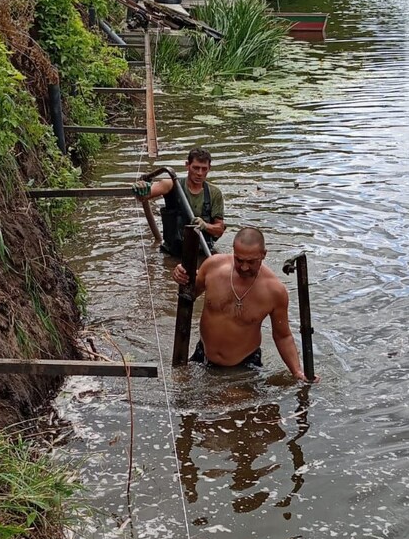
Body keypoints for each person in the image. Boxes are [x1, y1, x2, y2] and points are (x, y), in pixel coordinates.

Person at [172, 227, 312, 381]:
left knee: (232, 396)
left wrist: (297, 372)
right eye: (239, 260)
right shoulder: (213, 266)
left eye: (251, 262)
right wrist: (182, 276)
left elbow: (283, 336)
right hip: (202, 356)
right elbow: (189, 295)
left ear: (263, 254)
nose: (244, 267)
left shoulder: (274, 291)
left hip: (244, 366)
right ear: (233, 251)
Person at [133, 148, 226, 256]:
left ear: (209, 168)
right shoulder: (170, 185)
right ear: (187, 165)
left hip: (202, 253)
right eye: (196, 168)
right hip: (172, 254)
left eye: (204, 169)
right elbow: (144, 196)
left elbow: (219, 229)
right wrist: (142, 188)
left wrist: (205, 225)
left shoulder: (214, 193)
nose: (200, 173)